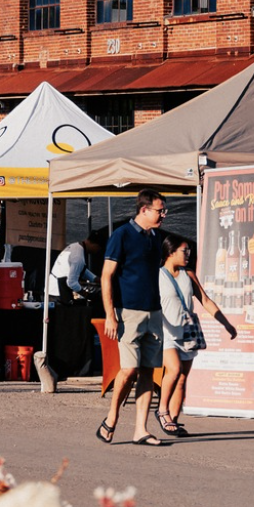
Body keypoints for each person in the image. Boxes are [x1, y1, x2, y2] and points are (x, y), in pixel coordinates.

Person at [98, 190, 170, 447]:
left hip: (154, 312)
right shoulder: (122, 235)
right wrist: (110, 315)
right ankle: (111, 418)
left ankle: (141, 429)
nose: (163, 215)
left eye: (163, 210)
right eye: (159, 210)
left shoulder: (156, 237)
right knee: (129, 370)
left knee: (149, 371)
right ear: (143, 210)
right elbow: (106, 276)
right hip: (128, 312)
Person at [157, 236, 236, 437]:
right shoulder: (158, 275)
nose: (188, 255)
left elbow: (206, 301)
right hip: (166, 330)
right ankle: (162, 411)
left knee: (182, 377)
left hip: (187, 331)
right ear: (170, 252)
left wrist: (226, 324)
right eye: (184, 251)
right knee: (173, 370)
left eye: (189, 251)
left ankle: (173, 420)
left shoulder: (188, 275)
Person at [47, 226, 105, 302]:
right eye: (98, 248)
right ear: (94, 244)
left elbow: (81, 269)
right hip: (57, 292)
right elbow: (71, 283)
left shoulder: (75, 246)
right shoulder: (78, 257)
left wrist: (96, 279)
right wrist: (87, 295)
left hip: (52, 289)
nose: (97, 251)